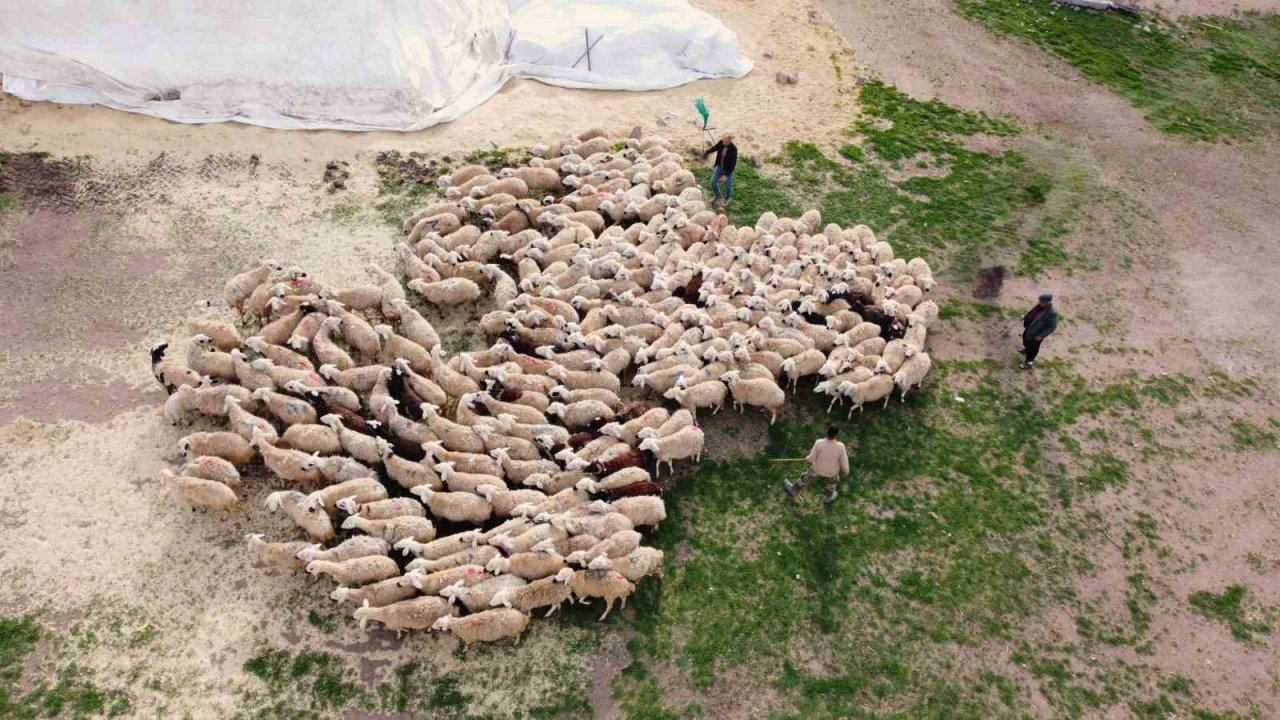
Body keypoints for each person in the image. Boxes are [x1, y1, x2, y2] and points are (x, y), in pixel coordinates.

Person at [783, 425, 849, 504]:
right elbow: (844, 463)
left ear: (827, 432)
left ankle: (794, 490)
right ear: (836, 435)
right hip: (832, 472)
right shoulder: (841, 447)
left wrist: (808, 458)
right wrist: (846, 471)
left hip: (818, 469)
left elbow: (811, 459)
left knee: (806, 475)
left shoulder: (819, 443)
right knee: (833, 481)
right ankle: (828, 497)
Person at [1020, 293, 1059, 370]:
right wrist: (1025, 317)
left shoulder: (1052, 313)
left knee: (1033, 348)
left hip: (1036, 334)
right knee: (1025, 339)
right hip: (1030, 328)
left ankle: (1029, 362)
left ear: (1047, 303)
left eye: (1042, 302)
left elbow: (1052, 327)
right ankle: (1026, 349)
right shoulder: (1040, 305)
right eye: (1040, 301)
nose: (1039, 303)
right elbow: (1032, 312)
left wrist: (1041, 336)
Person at [700, 133, 738, 207]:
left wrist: (726, 175)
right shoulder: (721, 142)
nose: (723, 142)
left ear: (730, 140)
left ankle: (727, 198)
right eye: (723, 140)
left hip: (728, 170)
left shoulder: (734, 149)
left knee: (728, 186)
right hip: (720, 166)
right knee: (713, 182)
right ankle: (718, 196)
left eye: (725, 141)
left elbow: (733, 164)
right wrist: (707, 152)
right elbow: (715, 148)